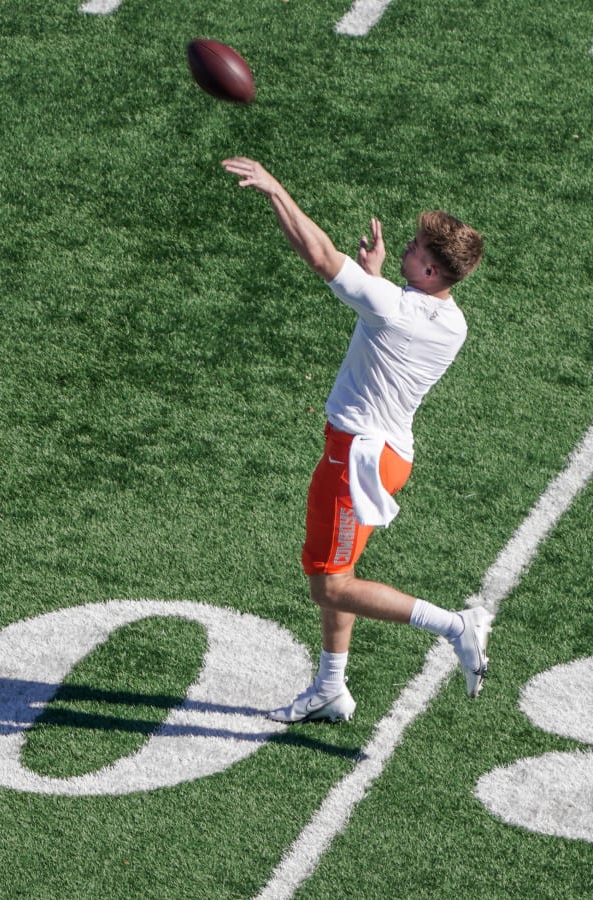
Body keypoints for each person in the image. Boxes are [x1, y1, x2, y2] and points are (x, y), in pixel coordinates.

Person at [221, 156, 492, 723]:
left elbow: (320, 257)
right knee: (337, 572)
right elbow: (396, 314)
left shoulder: (392, 308)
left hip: (357, 459)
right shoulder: (451, 320)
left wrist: (276, 189)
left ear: (433, 274)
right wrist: (378, 276)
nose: (408, 249)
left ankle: (454, 626)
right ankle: (330, 687)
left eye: (417, 248)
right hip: (388, 456)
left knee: (330, 586)